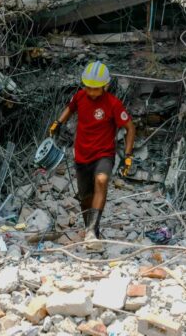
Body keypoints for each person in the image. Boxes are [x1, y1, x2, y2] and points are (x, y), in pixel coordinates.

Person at [49, 61, 136, 243]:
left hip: (104, 153)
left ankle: (91, 231)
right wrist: (58, 122)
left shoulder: (113, 104)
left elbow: (130, 127)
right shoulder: (80, 96)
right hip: (82, 154)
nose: (91, 92)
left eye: (95, 89)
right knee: (85, 197)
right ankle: (90, 228)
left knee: (101, 180)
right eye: (88, 88)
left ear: (105, 86)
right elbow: (70, 108)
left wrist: (128, 156)